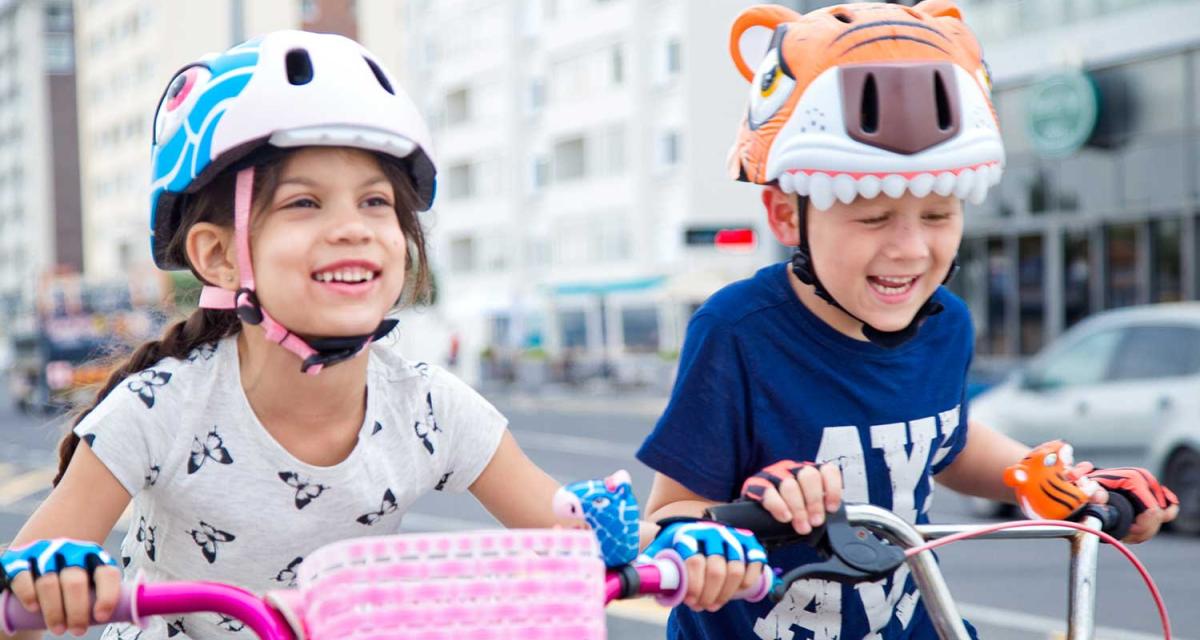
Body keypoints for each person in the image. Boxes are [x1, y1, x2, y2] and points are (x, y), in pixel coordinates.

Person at [0, 32, 758, 640]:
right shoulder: (157, 408)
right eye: (304, 202)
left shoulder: (431, 406)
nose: (353, 230)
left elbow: (580, 546)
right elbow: (18, 592)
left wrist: (678, 551)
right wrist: (51, 581)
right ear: (221, 254)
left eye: (375, 202)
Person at [636, 2, 1179, 639]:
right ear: (787, 217)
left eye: (938, 215)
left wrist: (1037, 477)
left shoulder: (944, 322)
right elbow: (668, 514)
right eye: (872, 218)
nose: (910, 249)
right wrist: (738, 515)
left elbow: (940, 437)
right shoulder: (737, 333)